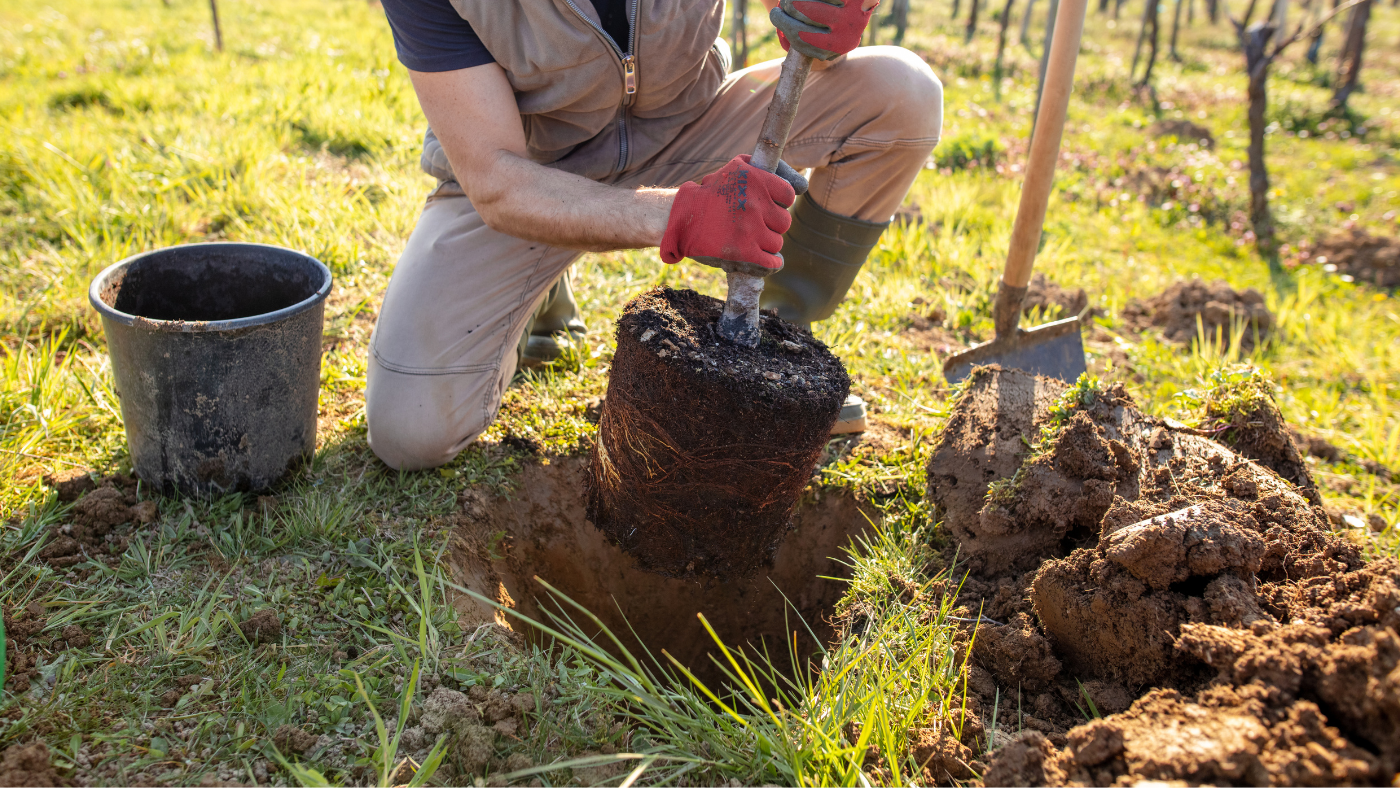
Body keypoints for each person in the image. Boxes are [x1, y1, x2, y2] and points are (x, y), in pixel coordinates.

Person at [367, 0, 943, 471]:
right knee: (411, 430)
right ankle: (535, 286)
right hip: (532, 174)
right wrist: (681, 217)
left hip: (689, 125)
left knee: (903, 93)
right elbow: (495, 179)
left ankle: (769, 359)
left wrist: (817, 9)